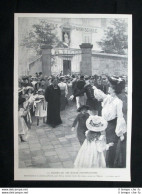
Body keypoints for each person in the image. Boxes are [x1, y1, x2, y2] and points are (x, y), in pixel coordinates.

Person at [93, 76, 127, 168]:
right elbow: (100, 95)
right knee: (105, 143)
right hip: (105, 125)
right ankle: (107, 163)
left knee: (111, 145)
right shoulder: (108, 98)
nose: (108, 88)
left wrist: (120, 133)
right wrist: (95, 88)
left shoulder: (118, 102)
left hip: (112, 126)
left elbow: (120, 117)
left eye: (110, 87)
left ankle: (111, 165)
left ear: (114, 89)